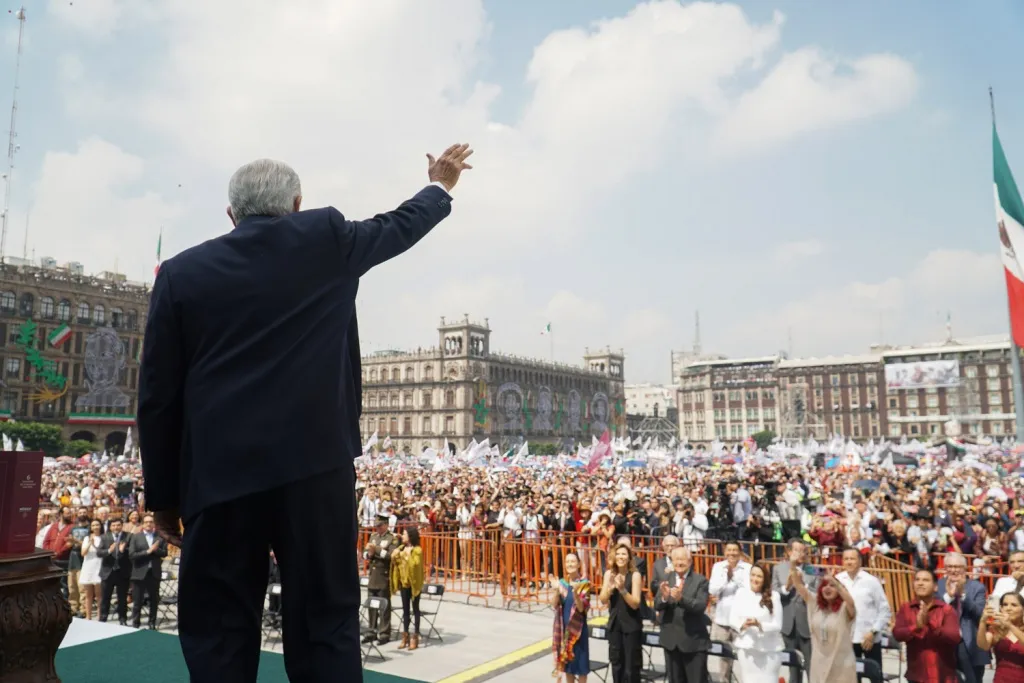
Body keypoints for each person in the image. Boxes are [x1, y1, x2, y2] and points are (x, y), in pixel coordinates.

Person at [137, 143, 473, 683]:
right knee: (324, 620)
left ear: (231, 214)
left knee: (219, 630)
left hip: (220, 479)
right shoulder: (327, 238)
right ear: (297, 204)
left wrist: (163, 499)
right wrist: (440, 184)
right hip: (316, 471)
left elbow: (158, 397)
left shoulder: (180, 273)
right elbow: (399, 225)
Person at [893, 569, 961, 683]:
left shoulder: (946, 610)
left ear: (935, 587)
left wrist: (930, 622)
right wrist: (916, 627)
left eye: (925, 580)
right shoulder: (906, 608)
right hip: (916, 676)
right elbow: (897, 634)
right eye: (917, 580)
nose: (920, 583)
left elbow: (954, 637)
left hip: (943, 676)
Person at [655, 546, 710, 683]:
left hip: (693, 643)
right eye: (676, 559)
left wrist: (681, 599)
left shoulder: (700, 581)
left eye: (682, 559)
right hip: (671, 642)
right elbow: (657, 604)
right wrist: (664, 598)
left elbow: (700, 606)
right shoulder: (666, 579)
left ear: (690, 561)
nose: (679, 563)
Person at [791, 570, 856, 683]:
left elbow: (851, 603)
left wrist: (836, 583)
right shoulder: (815, 605)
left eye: (832, 585)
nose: (827, 588)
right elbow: (798, 585)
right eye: (824, 585)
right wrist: (792, 565)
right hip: (819, 663)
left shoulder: (845, 608)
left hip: (841, 665)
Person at [936, 552, 990, 683]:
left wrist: (963, 595)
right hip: (944, 643)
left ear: (965, 568)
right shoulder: (938, 585)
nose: (953, 570)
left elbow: (979, 613)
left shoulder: (977, 587)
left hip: (969, 643)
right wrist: (948, 597)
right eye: (950, 566)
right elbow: (934, 612)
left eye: (957, 566)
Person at [730, 563, 783, 683]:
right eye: (753, 575)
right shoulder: (741, 593)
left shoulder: (774, 596)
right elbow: (732, 619)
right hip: (746, 648)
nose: (754, 579)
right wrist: (742, 625)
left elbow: (778, 625)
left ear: (765, 579)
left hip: (769, 650)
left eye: (759, 576)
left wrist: (759, 624)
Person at [599, 539, 643, 683]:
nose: (620, 557)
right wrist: (611, 588)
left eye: (624, 554)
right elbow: (603, 599)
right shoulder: (609, 574)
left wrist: (623, 590)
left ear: (629, 557)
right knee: (616, 664)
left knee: (631, 668)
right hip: (615, 625)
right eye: (618, 554)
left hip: (631, 626)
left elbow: (635, 603)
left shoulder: (635, 575)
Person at [772, 539, 816, 683]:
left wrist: (803, 585)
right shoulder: (778, 568)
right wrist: (787, 587)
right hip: (788, 625)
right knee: (793, 667)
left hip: (807, 625)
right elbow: (774, 593)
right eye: (797, 550)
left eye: (803, 551)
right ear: (789, 551)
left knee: (812, 667)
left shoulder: (812, 569)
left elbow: (817, 594)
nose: (800, 554)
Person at [552, 552, 591, 682]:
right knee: (568, 668)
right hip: (566, 632)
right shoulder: (562, 583)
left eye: (573, 561)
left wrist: (575, 593)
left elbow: (581, 608)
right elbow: (554, 604)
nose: (570, 564)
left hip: (579, 631)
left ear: (579, 564)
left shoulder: (584, 584)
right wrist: (556, 590)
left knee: (582, 669)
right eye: (567, 561)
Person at [390, 526, 425, 651]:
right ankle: (405, 635)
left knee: (415, 609)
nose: (403, 536)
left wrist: (406, 556)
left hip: (414, 583)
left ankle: (415, 636)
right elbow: (395, 561)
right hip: (404, 582)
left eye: (404, 534)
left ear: (410, 536)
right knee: (405, 610)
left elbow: (415, 564)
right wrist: (395, 555)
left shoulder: (417, 550)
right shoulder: (401, 548)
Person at [364, 513, 396, 645]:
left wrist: (376, 549)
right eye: (376, 526)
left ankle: (384, 633)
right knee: (372, 605)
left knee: (384, 605)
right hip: (373, 575)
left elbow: (389, 556)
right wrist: (369, 554)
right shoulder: (373, 536)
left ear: (386, 525)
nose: (377, 528)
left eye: (380, 525)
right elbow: (365, 554)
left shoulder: (392, 538)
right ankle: (371, 631)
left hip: (383, 575)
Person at [977, 592, 1024, 683]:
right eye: (1005, 605)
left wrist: (1010, 626)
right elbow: (983, 645)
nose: (1008, 608)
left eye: (1014, 605)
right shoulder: (996, 628)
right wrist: (982, 622)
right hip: (1001, 679)